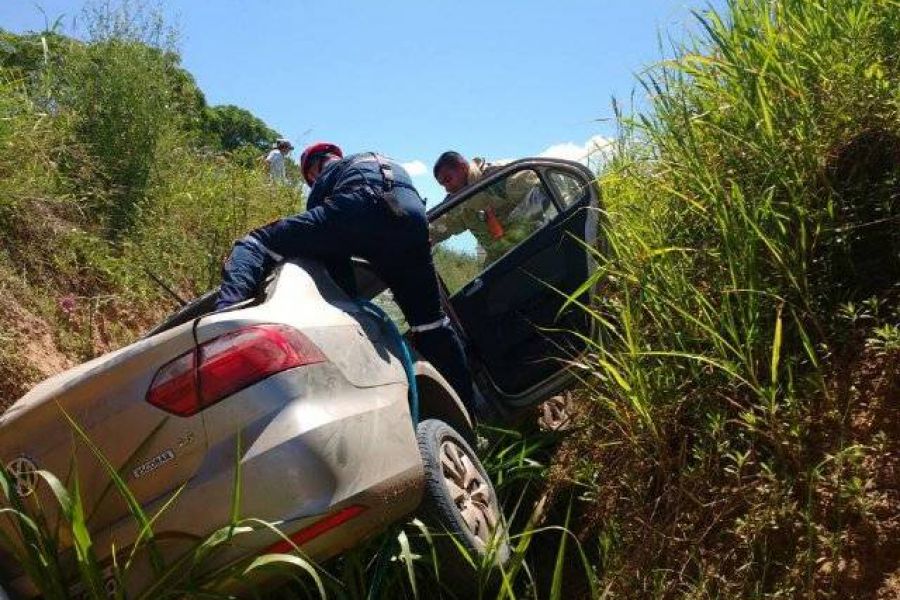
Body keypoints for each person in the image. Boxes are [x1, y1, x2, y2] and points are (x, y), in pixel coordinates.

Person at [216, 142, 486, 419]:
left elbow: (333, 263)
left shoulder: (328, 176)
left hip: (359, 205)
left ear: (313, 170)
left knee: (255, 242)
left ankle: (223, 319)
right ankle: (470, 419)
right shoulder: (380, 160)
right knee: (431, 326)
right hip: (412, 217)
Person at [431, 151, 547, 264]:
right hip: (503, 263)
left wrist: (516, 235)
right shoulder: (460, 204)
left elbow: (543, 190)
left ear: (462, 167)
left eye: (448, 179)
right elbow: (438, 229)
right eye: (443, 185)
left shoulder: (499, 177)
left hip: (539, 247)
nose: (447, 188)